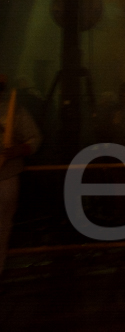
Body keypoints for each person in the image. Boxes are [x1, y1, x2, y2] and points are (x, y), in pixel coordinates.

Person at [0, 75, 43, 279]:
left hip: (6, 177)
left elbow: (35, 139)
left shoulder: (14, 110)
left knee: (1, 230)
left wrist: (18, 150)